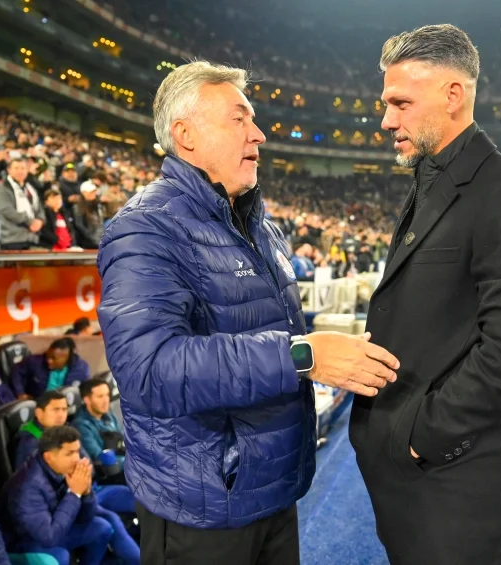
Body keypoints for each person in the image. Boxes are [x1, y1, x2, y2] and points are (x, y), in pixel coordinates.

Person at [97, 60, 399, 565]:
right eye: (239, 119)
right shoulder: (145, 228)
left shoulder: (258, 223)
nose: (258, 134)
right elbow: (149, 370)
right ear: (186, 135)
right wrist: (303, 355)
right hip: (203, 507)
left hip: (271, 490)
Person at [347, 25, 501, 565]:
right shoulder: (431, 180)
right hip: (412, 471)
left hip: (455, 472)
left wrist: (419, 438)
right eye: (386, 103)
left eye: (400, 103)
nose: (386, 119)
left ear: (453, 95)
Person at [0, 426, 136, 565]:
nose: (77, 458)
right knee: (59, 557)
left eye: (77, 452)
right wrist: (74, 493)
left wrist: (86, 493)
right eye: (69, 454)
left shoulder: (63, 469)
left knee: (102, 528)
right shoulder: (27, 488)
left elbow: (86, 517)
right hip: (20, 540)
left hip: (52, 526)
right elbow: (49, 537)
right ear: (48, 457)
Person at [0, 157, 45, 250]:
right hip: (11, 239)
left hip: (32, 238)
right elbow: (7, 210)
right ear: (9, 170)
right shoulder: (1, 188)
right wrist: (30, 222)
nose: (20, 171)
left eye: (23, 168)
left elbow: (39, 208)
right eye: (16, 168)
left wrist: (40, 220)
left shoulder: (30, 189)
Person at [10, 338, 90, 399]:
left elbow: (85, 392)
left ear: (67, 358)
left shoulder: (81, 369)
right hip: (39, 403)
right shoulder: (35, 362)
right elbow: (16, 371)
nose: (48, 360)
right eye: (48, 356)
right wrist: (20, 393)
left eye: (53, 358)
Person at [71, 378, 123, 465]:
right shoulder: (81, 425)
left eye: (107, 395)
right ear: (87, 400)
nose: (106, 400)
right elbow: (99, 457)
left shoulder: (110, 416)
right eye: (100, 396)